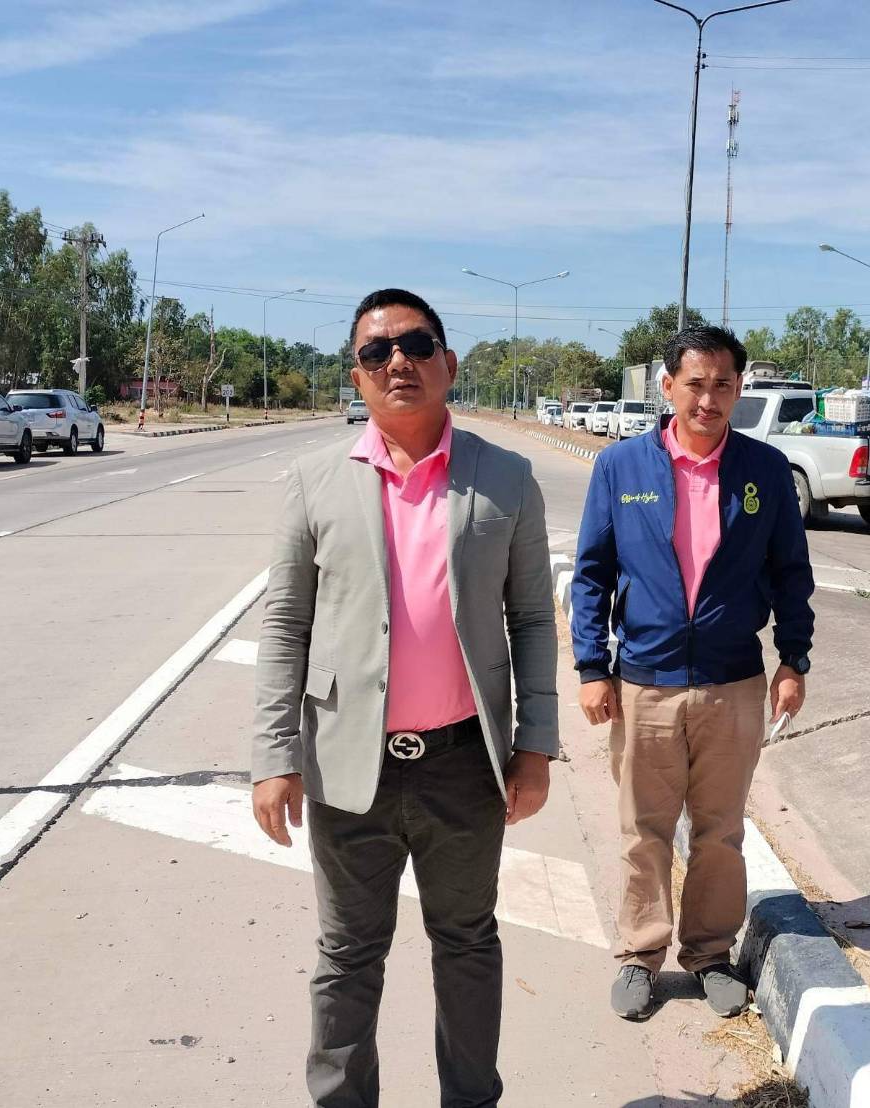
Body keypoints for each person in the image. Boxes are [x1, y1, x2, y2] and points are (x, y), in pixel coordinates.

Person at [251, 288, 559, 1108]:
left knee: (467, 944)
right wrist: (273, 756)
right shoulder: (315, 481)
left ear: (448, 364)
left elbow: (532, 618)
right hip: (348, 764)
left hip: (463, 764)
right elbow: (285, 624)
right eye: (376, 351)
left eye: (417, 345)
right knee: (347, 955)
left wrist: (535, 744)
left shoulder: (505, 479)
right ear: (356, 376)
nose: (398, 362)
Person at [570, 325, 816, 1021]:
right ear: (667, 386)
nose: (708, 399)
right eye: (695, 384)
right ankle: (640, 952)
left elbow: (790, 574)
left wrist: (793, 659)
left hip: (731, 682)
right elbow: (591, 575)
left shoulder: (765, 470)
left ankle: (708, 953)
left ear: (739, 389)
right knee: (642, 829)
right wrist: (591, 666)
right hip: (643, 682)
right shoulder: (622, 468)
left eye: (722, 385)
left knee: (720, 830)